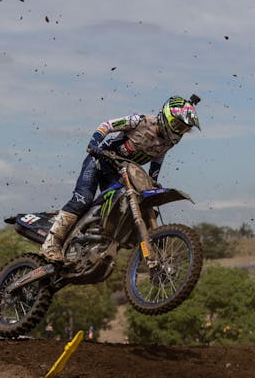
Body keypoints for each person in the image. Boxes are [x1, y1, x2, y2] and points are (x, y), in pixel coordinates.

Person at [40, 95, 201, 261]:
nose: (179, 131)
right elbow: (107, 125)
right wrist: (94, 143)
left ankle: (88, 242)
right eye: (177, 125)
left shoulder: (169, 142)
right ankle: (51, 243)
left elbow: (158, 158)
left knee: (121, 207)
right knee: (83, 199)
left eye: (183, 129)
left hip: (120, 173)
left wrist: (153, 179)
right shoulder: (140, 121)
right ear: (167, 116)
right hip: (99, 160)